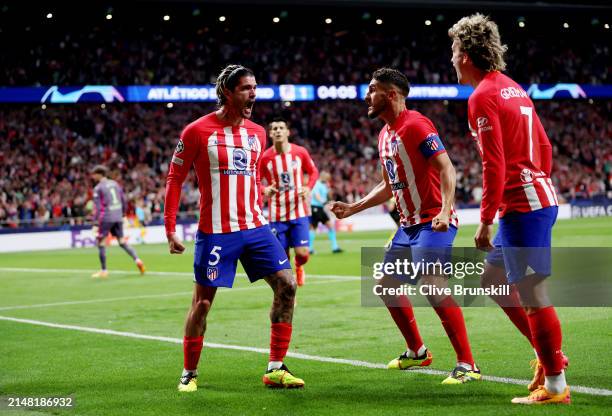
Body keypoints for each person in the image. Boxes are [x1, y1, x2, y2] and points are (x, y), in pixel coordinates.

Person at [330, 68, 479, 384]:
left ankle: (468, 364)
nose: (367, 96)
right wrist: (354, 208)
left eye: (372, 90)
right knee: (385, 286)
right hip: (407, 225)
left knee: (432, 285)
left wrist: (445, 210)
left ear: (392, 94)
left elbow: (447, 168)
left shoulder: (416, 125)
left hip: (432, 222)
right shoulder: (384, 135)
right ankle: (417, 352)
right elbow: (389, 186)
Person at [449, 14, 569, 404]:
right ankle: (545, 354)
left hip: (521, 204)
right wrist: (540, 181)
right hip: (534, 197)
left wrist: (485, 220)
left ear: (466, 55)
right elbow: (546, 146)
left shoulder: (482, 95)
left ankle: (554, 385)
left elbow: (493, 163)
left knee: (532, 291)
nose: (451, 58)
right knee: (493, 279)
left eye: (453, 50)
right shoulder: (513, 88)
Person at [164, 64, 304, 393]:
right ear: (227, 92)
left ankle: (275, 368)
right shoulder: (196, 131)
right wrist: (170, 228)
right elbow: (175, 179)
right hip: (216, 232)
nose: (253, 93)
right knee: (203, 303)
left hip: (255, 226)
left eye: (255, 87)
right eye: (245, 88)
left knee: (287, 285)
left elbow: (250, 178)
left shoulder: (256, 133)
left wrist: (260, 196)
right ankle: (189, 371)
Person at [259, 117, 319, 286]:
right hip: (276, 215)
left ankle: (299, 266)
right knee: (282, 259)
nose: (278, 130)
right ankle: (290, 294)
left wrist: (308, 188)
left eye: (281, 127)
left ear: (287, 132)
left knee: (303, 253)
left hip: (298, 212)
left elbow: (313, 172)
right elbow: (254, 181)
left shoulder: (300, 152)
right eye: (275, 128)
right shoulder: (265, 158)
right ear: (270, 133)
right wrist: (264, 190)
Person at [90, 165, 145, 278]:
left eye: (94, 174)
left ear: (99, 174)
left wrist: (96, 223)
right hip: (118, 216)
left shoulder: (98, 188)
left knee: (100, 242)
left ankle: (104, 270)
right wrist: (123, 214)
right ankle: (137, 260)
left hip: (106, 217)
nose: (92, 177)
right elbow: (123, 200)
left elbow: (98, 207)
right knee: (122, 242)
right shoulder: (115, 184)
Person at [309, 171, 343, 254]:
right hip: (316, 207)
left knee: (316, 227)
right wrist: (323, 202)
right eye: (327, 178)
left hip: (319, 208)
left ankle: (334, 247)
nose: (328, 180)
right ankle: (334, 247)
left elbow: (326, 196)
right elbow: (316, 195)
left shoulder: (324, 185)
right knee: (314, 227)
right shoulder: (317, 184)